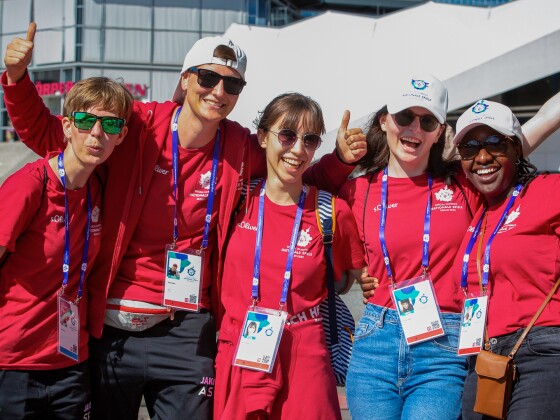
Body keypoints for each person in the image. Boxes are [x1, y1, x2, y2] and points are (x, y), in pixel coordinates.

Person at [2, 23, 366, 419]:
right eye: (209, 78)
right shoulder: (137, 126)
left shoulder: (239, 148)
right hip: (112, 326)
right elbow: (51, 137)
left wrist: (339, 162)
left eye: (232, 85)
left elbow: (291, 171)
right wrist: (18, 80)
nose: (219, 91)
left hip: (186, 327)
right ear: (186, 79)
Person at [340, 72, 559, 420]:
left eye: (427, 121)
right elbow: (298, 185)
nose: (414, 129)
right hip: (376, 341)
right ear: (384, 121)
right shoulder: (356, 190)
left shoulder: (465, 179)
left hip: (445, 342)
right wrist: (339, 158)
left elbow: (531, 130)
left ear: (440, 132)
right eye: (404, 117)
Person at [214, 92, 366, 419]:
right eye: (287, 135)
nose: (298, 149)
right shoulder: (234, 201)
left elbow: (360, 278)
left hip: (304, 354)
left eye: (310, 140)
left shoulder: (332, 212)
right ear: (263, 137)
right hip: (241, 348)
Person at [0, 77, 132, 419]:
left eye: (111, 124)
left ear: (122, 135)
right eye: (87, 121)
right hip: (14, 363)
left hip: (71, 361)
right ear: (68, 126)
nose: (97, 134)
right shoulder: (31, 185)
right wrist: (15, 78)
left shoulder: (97, 189)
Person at [452, 100, 560, 419]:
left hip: (541, 350)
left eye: (495, 143)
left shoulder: (547, 190)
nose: (482, 156)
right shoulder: (478, 212)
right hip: (483, 356)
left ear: (517, 149)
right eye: (470, 147)